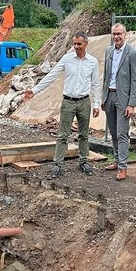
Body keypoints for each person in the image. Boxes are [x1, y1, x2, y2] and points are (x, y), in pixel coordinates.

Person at [24, 31, 101, 179]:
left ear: (86, 43)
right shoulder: (67, 59)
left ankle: (83, 161)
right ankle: (58, 164)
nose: (76, 47)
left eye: (79, 44)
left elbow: (96, 84)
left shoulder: (92, 62)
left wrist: (96, 103)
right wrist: (35, 90)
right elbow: (52, 75)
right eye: (74, 44)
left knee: (84, 134)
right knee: (63, 135)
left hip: (84, 101)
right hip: (68, 102)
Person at [101, 23, 136, 181]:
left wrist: (132, 103)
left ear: (125, 34)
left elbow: (135, 80)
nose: (116, 37)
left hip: (123, 98)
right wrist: (103, 97)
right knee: (113, 132)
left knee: (122, 133)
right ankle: (117, 161)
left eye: (119, 34)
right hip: (109, 96)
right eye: (114, 34)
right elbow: (106, 76)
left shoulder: (133, 53)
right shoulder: (108, 51)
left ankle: (123, 167)